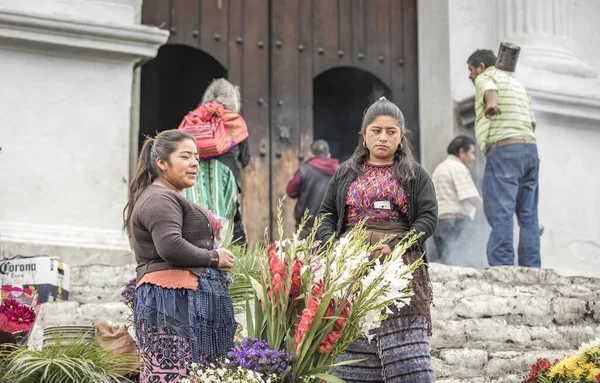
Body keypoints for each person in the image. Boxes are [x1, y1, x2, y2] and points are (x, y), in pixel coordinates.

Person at [318, 97, 437, 382]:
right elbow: (326, 214)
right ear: (364, 135)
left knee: (405, 348)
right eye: (376, 130)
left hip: (400, 266)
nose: (383, 137)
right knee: (352, 334)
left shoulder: (415, 174)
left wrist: (397, 247)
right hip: (352, 266)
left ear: (401, 136)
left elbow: (428, 218)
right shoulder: (346, 173)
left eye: (391, 131)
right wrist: (332, 244)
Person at [123, 130, 236, 382]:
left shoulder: (168, 196)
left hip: (181, 296)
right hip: (171, 299)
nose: (195, 163)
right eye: (185, 156)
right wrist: (214, 257)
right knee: (173, 374)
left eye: (196, 157)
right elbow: (171, 247)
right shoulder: (159, 199)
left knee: (192, 374)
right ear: (162, 163)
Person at [468, 49, 540, 267]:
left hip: (504, 151)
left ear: (481, 66)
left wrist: (491, 104)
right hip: (530, 150)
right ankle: (531, 265)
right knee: (527, 212)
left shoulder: (486, 77)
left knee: (501, 208)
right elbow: (533, 123)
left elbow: (489, 91)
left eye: (470, 70)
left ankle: (502, 264)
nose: (470, 76)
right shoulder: (517, 85)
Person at [180, 78, 250, 245]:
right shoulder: (234, 121)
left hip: (193, 177)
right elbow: (245, 158)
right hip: (225, 178)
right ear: (232, 98)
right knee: (222, 225)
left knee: (194, 219)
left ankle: (193, 255)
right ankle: (219, 260)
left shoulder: (192, 119)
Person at [432, 135, 483, 265]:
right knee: (462, 265)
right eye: (471, 153)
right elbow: (471, 197)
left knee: (447, 266)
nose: (473, 158)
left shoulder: (439, 168)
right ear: (462, 152)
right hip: (456, 223)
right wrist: (492, 210)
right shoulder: (457, 167)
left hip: (439, 223)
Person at [286, 140, 339, 238]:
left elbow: (291, 192)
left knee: (303, 253)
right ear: (328, 155)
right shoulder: (339, 171)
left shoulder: (304, 170)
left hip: (306, 226)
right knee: (328, 253)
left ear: (310, 154)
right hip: (330, 227)